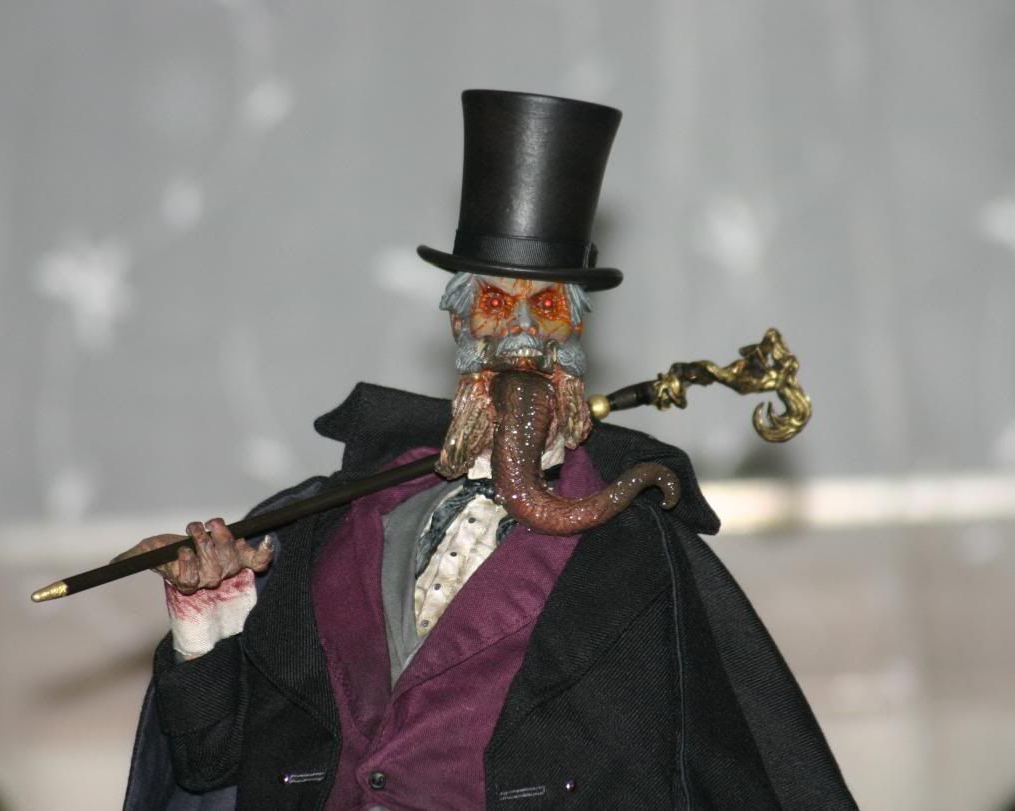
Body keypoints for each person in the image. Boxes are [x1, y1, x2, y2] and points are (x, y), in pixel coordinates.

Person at [123, 91, 857, 810]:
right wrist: (209, 619)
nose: (523, 335)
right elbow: (211, 762)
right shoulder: (324, 525)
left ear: (576, 333)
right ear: (460, 324)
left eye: (548, 308)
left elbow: (693, 772)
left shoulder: (632, 561)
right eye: (499, 305)